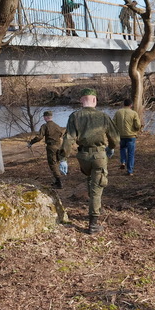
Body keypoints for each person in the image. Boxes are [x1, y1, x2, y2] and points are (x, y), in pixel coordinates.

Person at [59, 88, 118, 234]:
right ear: (95, 100)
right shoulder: (103, 116)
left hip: (83, 156)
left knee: (92, 181)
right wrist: (111, 147)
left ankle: (96, 207)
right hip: (98, 155)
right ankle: (93, 224)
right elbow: (115, 137)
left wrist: (63, 158)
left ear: (81, 100)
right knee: (97, 187)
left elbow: (68, 139)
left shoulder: (74, 116)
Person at [28, 111, 65, 189]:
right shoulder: (57, 126)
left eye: (44, 117)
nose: (44, 118)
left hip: (51, 147)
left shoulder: (45, 126)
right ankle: (56, 180)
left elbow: (39, 137)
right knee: (57, 162)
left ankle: (59, 183)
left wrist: (31, 142)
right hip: (58, 146)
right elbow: (61, 134)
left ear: (45, 117)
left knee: (53, 164)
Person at [114, 98, 141, 175]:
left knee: (122, 148)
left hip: (121, 135)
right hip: (131, 136)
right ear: (131, 105)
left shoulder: (118, 112)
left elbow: (113, 123)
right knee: (131, 153)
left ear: (124, 104)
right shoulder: (134, 113)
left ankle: (123, 161)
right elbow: (137, 125)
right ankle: (130, 171)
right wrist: (137, 129)